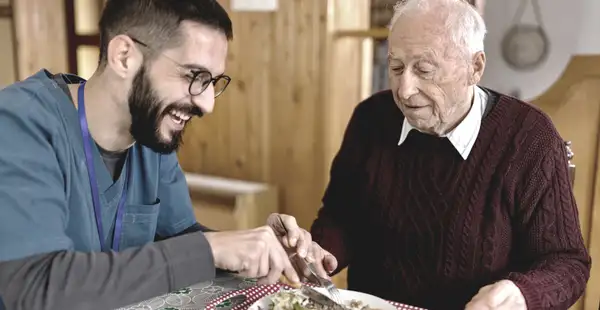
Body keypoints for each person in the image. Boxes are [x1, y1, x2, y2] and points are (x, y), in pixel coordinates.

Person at [0, 0, 336, 309]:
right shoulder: (19, 123)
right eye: (194, 76)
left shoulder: (150, 133)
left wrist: (260, 250)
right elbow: (35, 288)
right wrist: (211, 249)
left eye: (213, 81)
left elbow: (178, 242)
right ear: (124, 57)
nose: (207, 104)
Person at [310, 0, 591, 309]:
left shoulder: (529, 137)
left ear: (475, 67)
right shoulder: (371, 118)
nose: (404, 90)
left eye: (424, 70)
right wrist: (318, 252)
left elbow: (567, 263)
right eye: (396, 67)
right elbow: (342, 217)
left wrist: (522, 293)